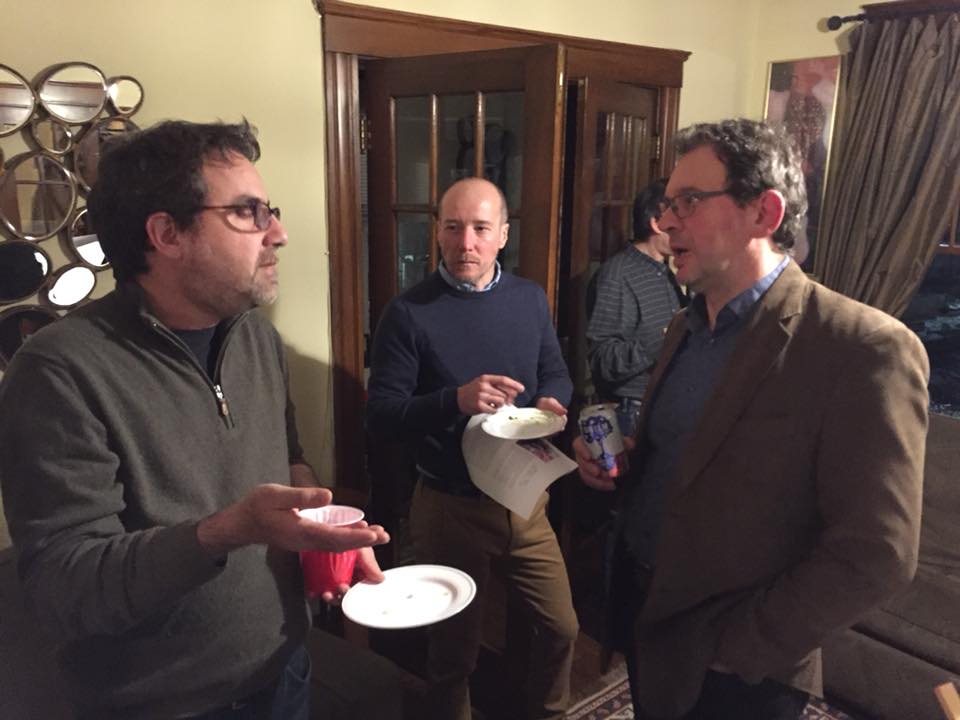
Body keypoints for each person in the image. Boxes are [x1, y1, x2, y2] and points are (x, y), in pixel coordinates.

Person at [0, 120, 391, 720]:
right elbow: (66, 589)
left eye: (270, 211)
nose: (278, 233)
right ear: (167, 234)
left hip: (283, 670)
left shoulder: (255, 336)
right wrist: (226, 530)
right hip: (163, 705)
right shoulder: (60, 370)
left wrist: (321, 534)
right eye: (248, 213)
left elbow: (289, 458)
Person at [574, 119, 929, 720]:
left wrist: (740, 649)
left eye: (688, 201)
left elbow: (879, 553)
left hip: (741, 669)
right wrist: (625, 464)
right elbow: (695, 460)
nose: (665, 221)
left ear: (764, 212)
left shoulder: (861, 347)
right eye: (667, 203)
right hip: (650, 619)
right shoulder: (684, 327)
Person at [366, 177, 579, 720]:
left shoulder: (529, 298)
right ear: (438, 232)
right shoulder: (408, 312)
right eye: (454, 227)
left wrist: (552, 401)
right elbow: (382, 415)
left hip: (525, 498)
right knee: (453, 656)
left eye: (481, 229)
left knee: (562, 627)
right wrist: (454, 400)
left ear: (503, 234)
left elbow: (555, 371)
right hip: (449, 506)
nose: (467, 243)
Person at [586, 177, 687, 436]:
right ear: (655, 222)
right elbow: (602, 361)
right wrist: (662, 340)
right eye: (677, 217)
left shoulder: (666, 271)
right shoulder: (617, 275)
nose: (684, 227)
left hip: (662, 405)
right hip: (631, 412)